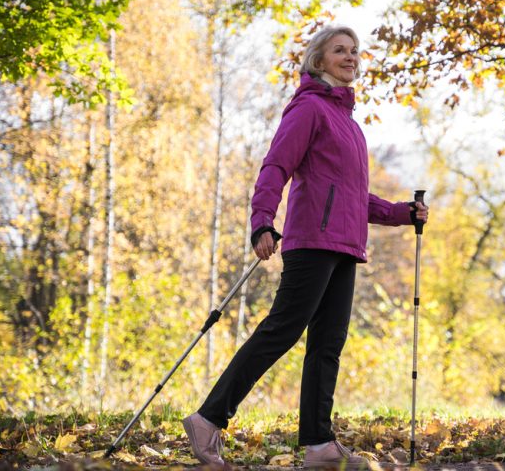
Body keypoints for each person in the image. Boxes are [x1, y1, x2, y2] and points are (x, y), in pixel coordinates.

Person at [182, 25, 429, 469]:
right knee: (282, 330)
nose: (351, 57)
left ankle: (318, 445)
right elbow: (276, 165)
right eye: (340, 50)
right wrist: (262, 222)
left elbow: (355, 197)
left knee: (328, 344)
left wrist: (401, 212)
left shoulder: (350, 125)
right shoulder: (309, 108)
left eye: (355, 51)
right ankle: (207, 419)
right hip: (311, 239)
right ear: (318, 61)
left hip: (346, 246)